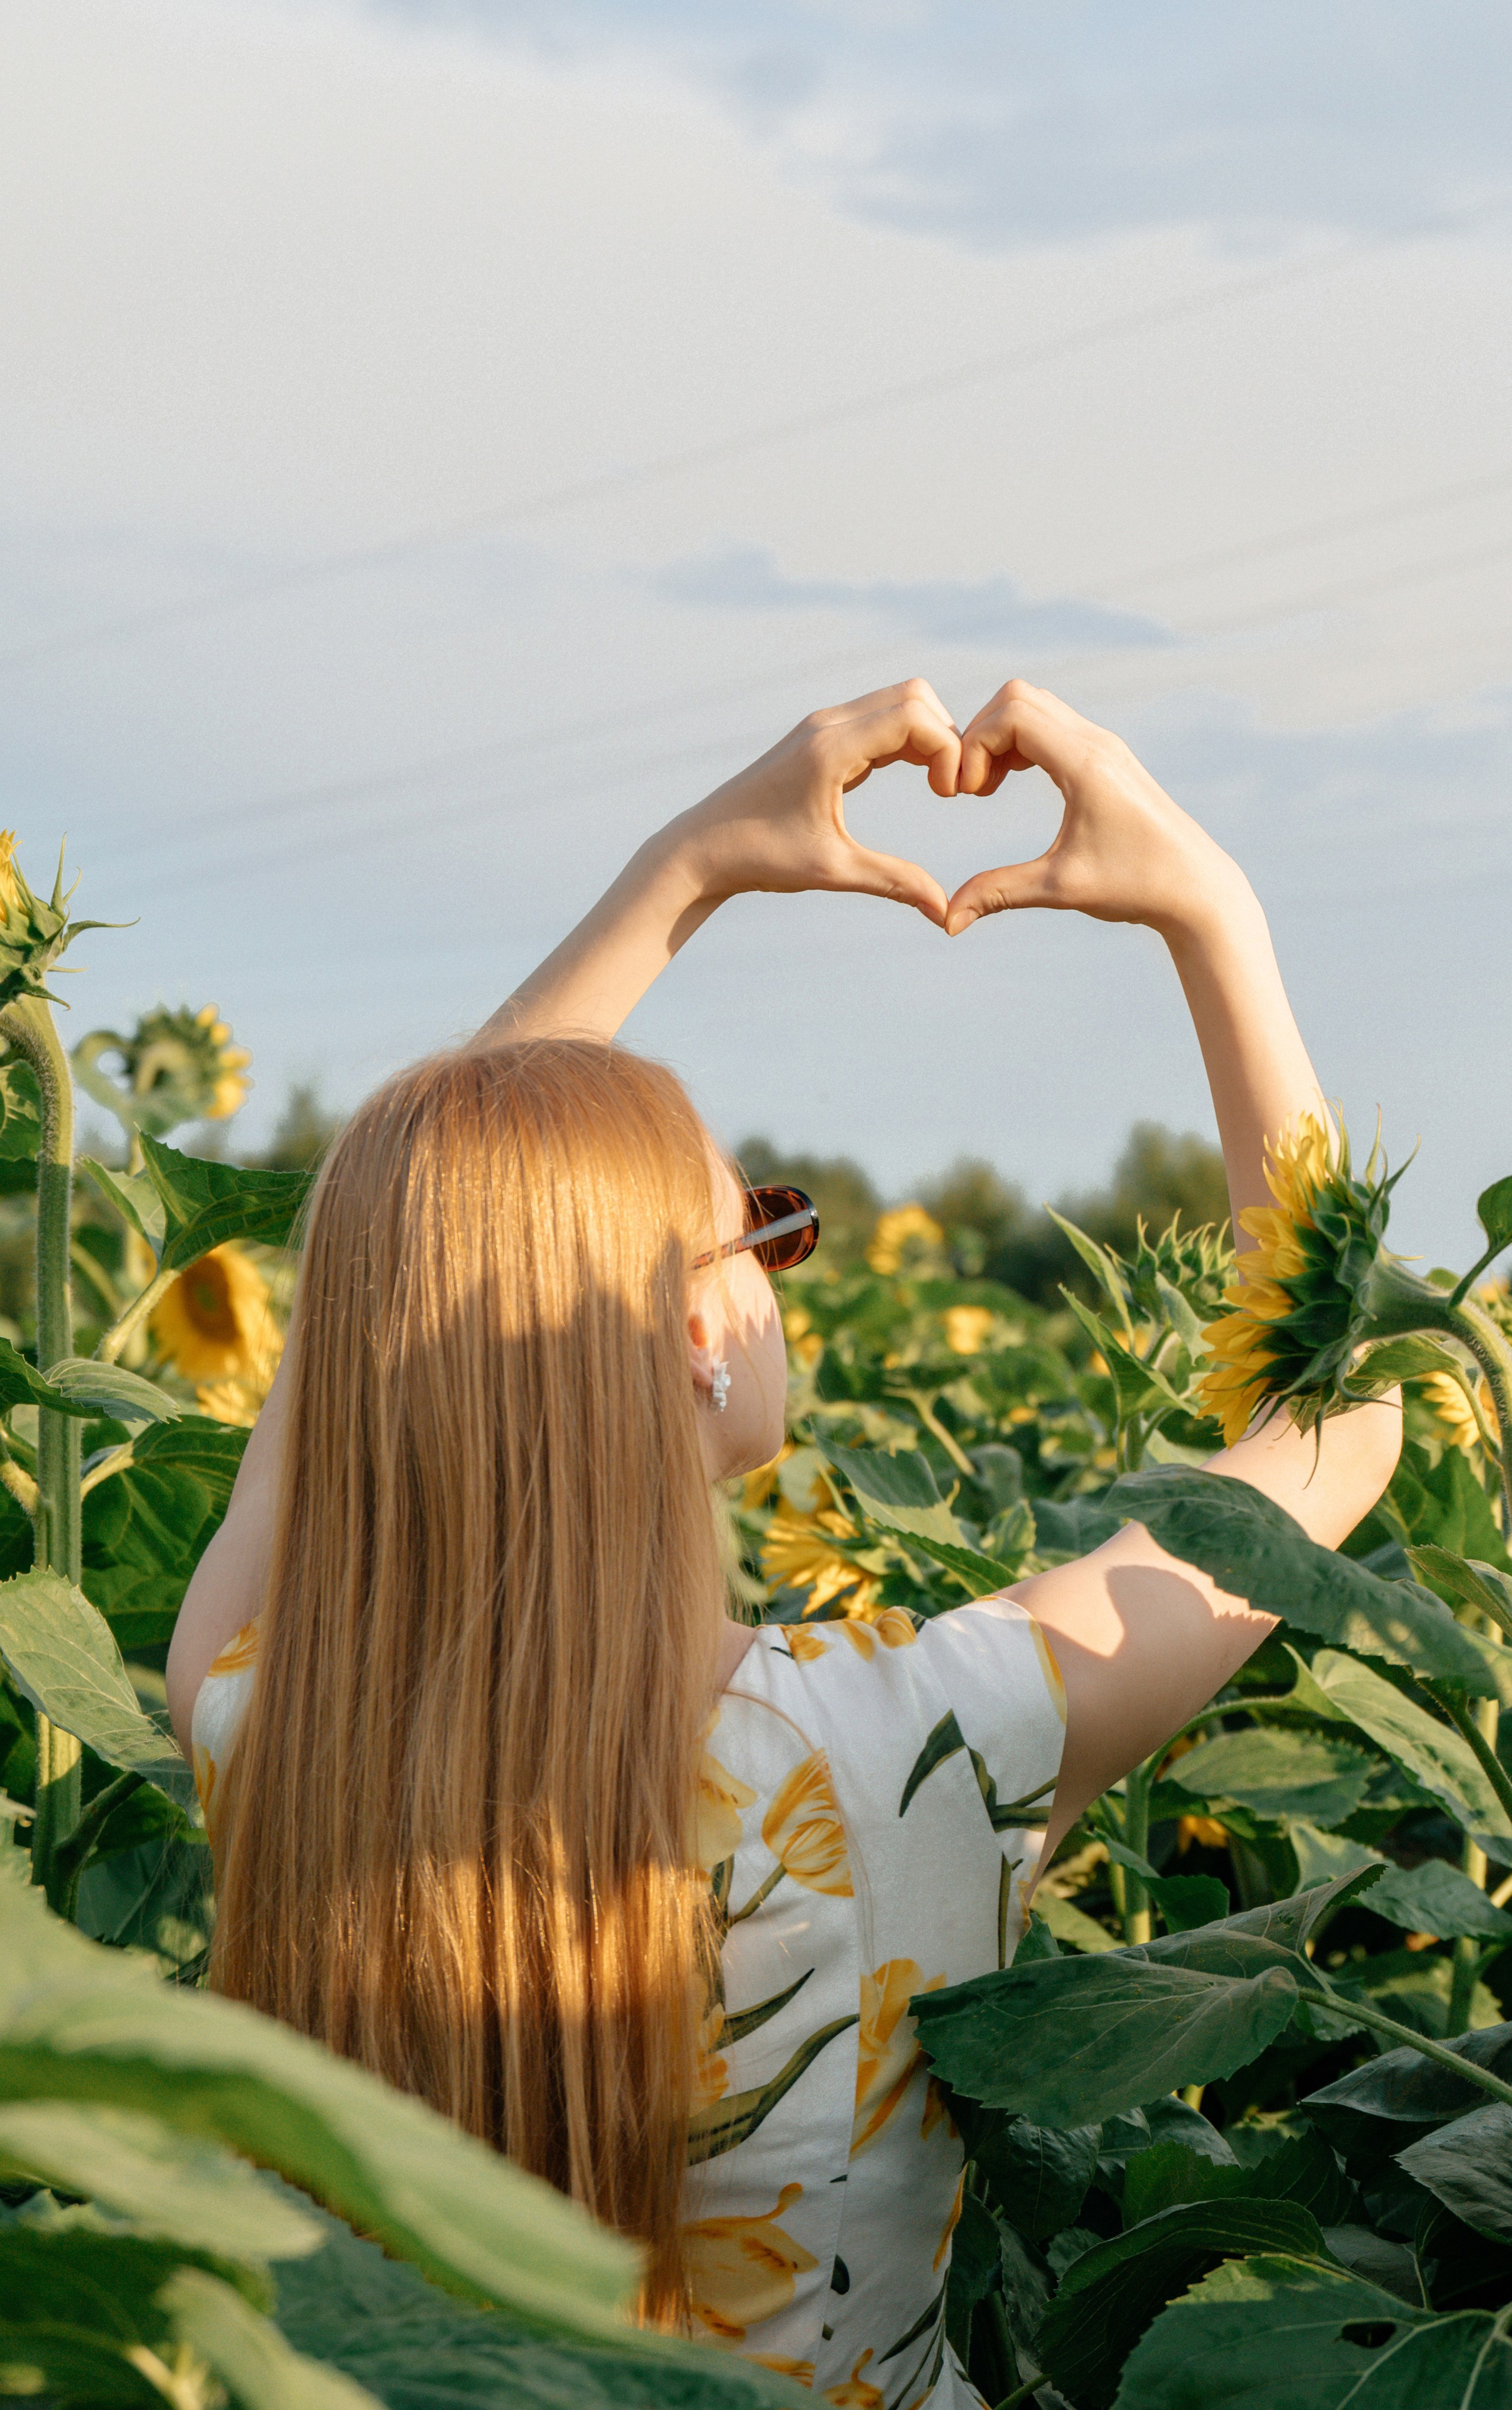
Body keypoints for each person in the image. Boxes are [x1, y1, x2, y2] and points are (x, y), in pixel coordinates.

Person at [166, 678, 1400, 2406]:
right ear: (691, 1333)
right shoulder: (910, 1751)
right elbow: (1345, 1418)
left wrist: (681, 873)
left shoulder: (268, 1731)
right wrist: (1216, 912)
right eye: (761, 1229)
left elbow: (370, 1308)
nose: (776, 1258)